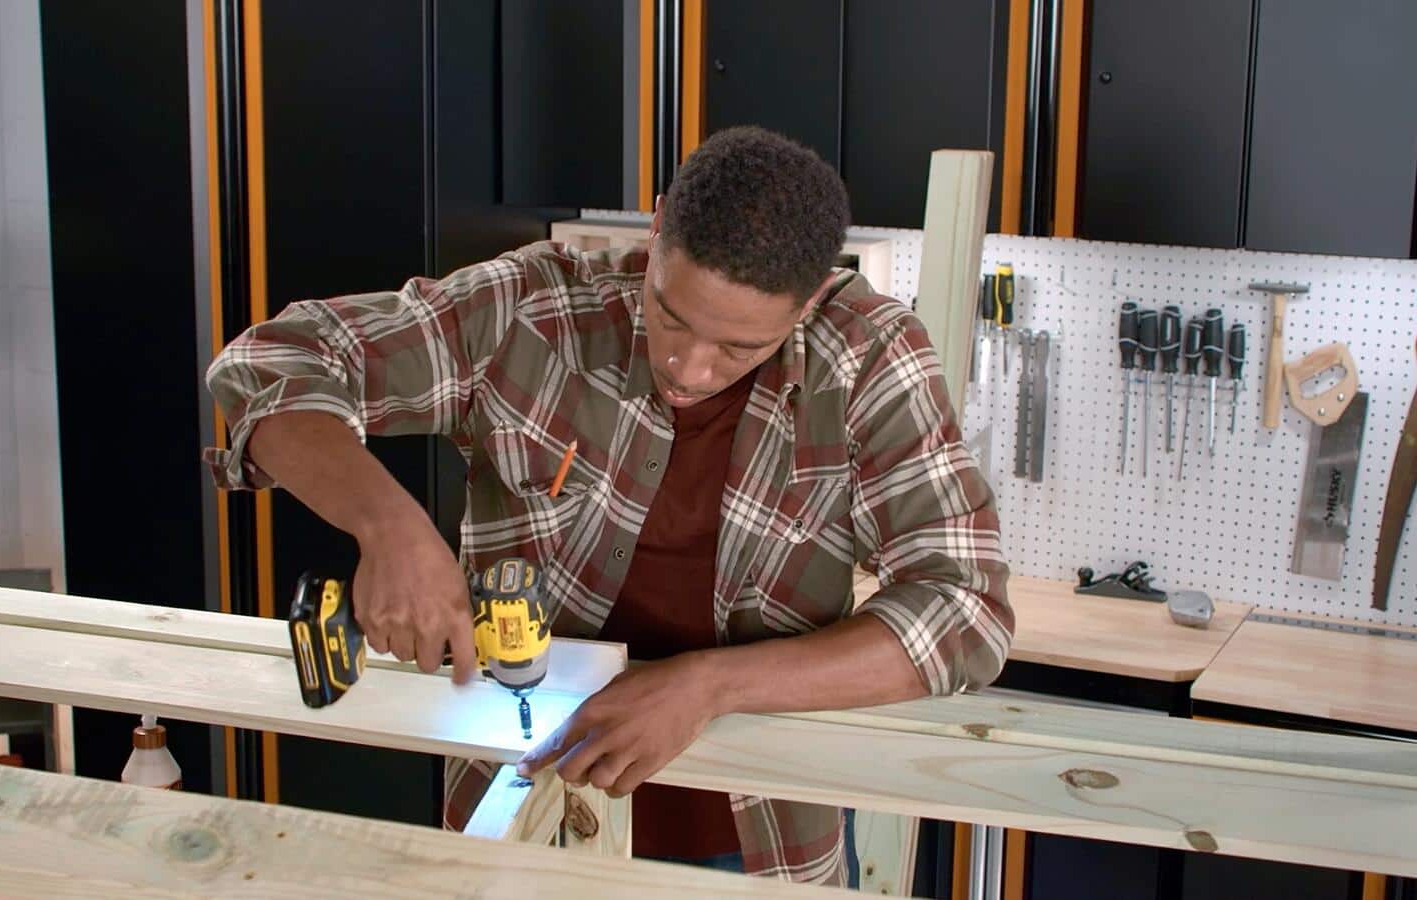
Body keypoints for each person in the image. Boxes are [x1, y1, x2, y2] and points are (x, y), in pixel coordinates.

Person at [204, 125, 1013, 887]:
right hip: (520, 810)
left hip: (755, 841)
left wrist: (706, 687)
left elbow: (965, 612)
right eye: (671, 313)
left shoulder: (870, 358)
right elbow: (270, 363)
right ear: (656, 229)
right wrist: (388, 524)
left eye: (739, 348)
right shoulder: (537, 311)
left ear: (807, 303)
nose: (690, 369)